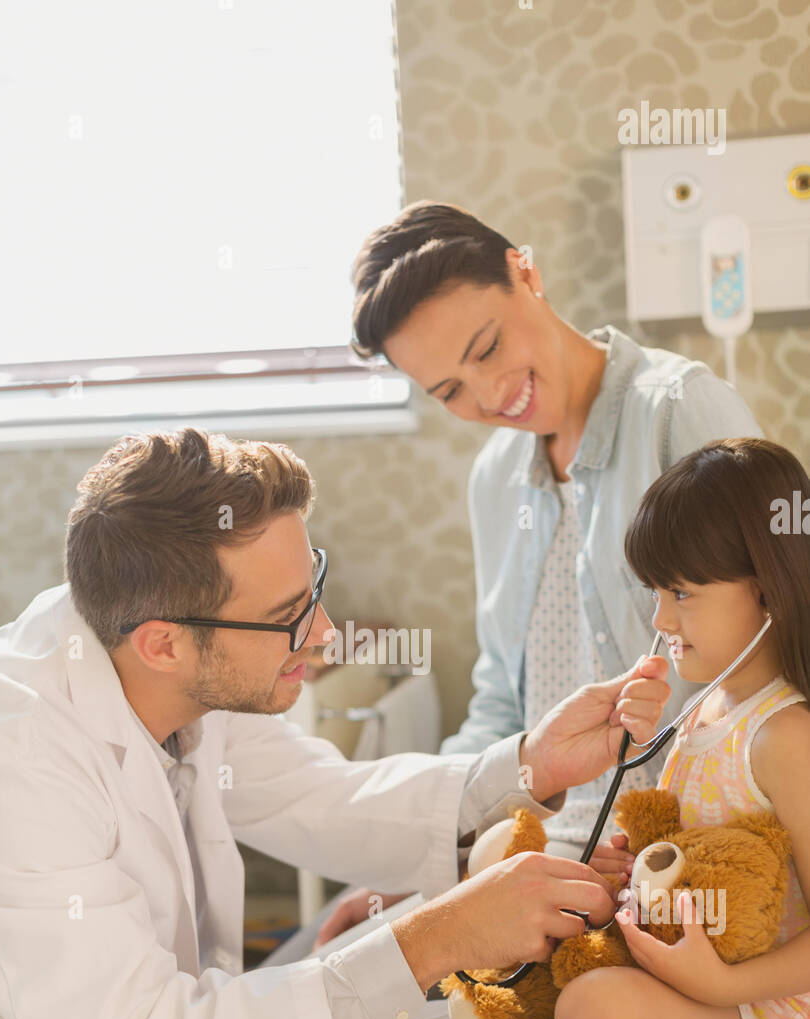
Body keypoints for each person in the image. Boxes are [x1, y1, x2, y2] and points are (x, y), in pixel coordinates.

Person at [0, 427, 670, 1019]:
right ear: (164, 643)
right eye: (289, 616)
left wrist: (522, 769)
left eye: (311, 585)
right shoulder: (7, 760)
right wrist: (426, 942)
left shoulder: (174, 659)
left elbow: (312, 797)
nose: (323, 634)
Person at [315, 199, 762, 948]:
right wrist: (417, 863)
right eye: (451, 392)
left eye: (486, 348)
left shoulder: (677, 414)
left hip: (674, 850)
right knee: (359, 954)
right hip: (546, 859)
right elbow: (500, 701)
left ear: (526, 271)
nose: (490, 397)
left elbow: (769, 655)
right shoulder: (496, 482)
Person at [455, 438, 810, 1019]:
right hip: (677, 959)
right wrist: (624, 866)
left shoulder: (785, 736)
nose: (659, 617)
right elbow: (682, 846)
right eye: (655, 592)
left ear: (765, 592)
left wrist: (723, 987)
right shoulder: (702, 710)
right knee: (498, 853)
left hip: (761, 994)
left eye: (681, 593)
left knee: (596, 1008)